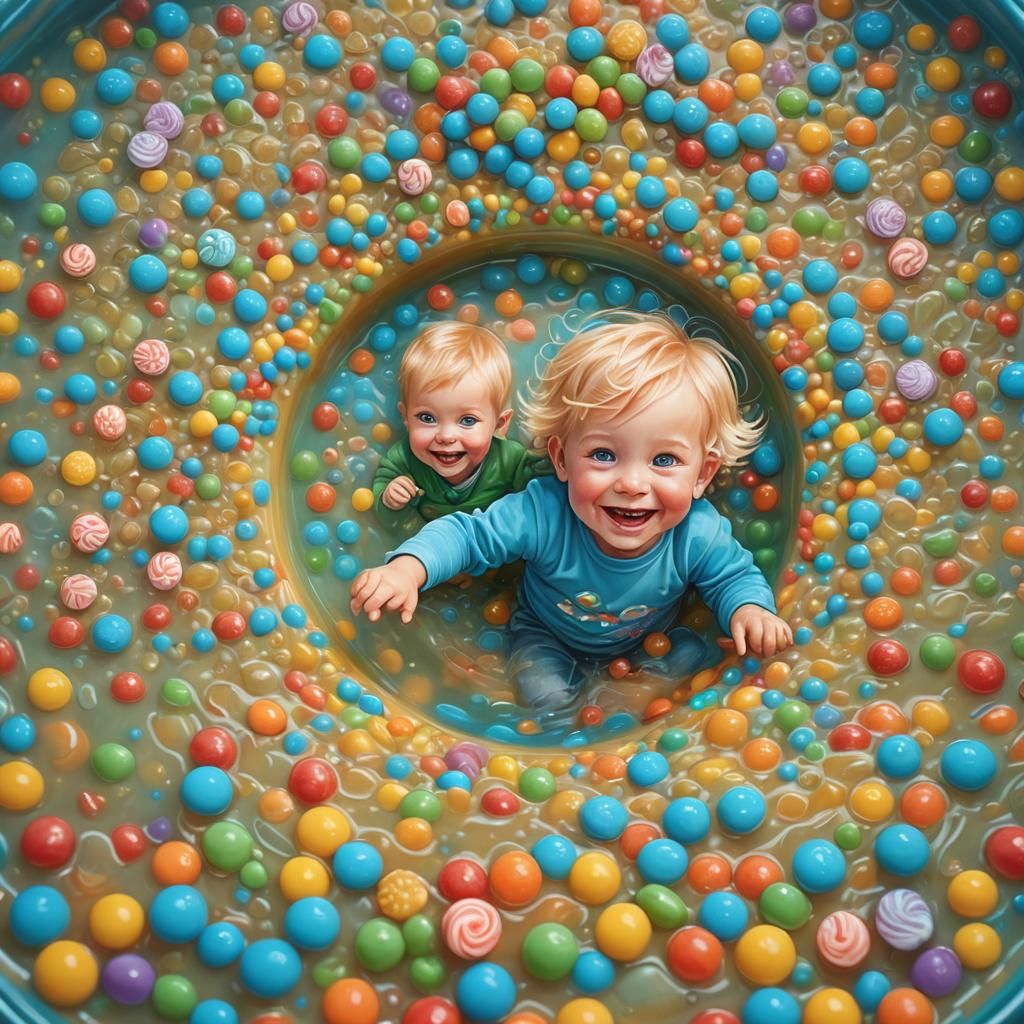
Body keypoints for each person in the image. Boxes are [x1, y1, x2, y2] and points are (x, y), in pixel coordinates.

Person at [352, 311, 793, 711]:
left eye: (664, 461)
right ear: (562, 459)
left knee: (691, 657)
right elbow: (468, 535)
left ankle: (631, 699)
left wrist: (750, 610)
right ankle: (570, 722)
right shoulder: (544, 512)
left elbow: (732, 575)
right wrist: (409, 569)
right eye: (603, 455)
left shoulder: (697, 532)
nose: (632, 484)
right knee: (542, 694)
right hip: (546, 633)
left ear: (702, 474)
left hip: (652, 638)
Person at [371, 320, 545, 526]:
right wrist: (389, 500)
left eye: (467, 420)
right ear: (406, 417)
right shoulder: (401, 460)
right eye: (427, 418)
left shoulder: (509, 459)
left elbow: (541, 498)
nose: (445, 436)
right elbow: (386, 518)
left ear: (499, 424)